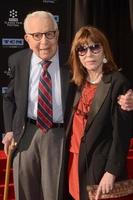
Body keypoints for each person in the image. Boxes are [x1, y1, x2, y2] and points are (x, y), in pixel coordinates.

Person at [2, 11, 70, 200]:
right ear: (26, 38)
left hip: (58, 134)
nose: (44, 42)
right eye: (36, 36)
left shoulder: (73, 57)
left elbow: (101, 70)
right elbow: (9, 98)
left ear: (57, 34)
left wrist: (123, 93)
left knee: (53, 193)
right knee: (24, 190)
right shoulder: (18, 60)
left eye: (49, 34)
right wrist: (9, 130)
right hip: (25, 133)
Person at [65, 26, 132, 200]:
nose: (89, 54)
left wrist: (111, 171)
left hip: (99, 165)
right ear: (77, 56)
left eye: (95, 47)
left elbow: (121, 135)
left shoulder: (118, 83)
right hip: (74, 160)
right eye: (82, 49)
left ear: (104, 51)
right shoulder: (76, 83)